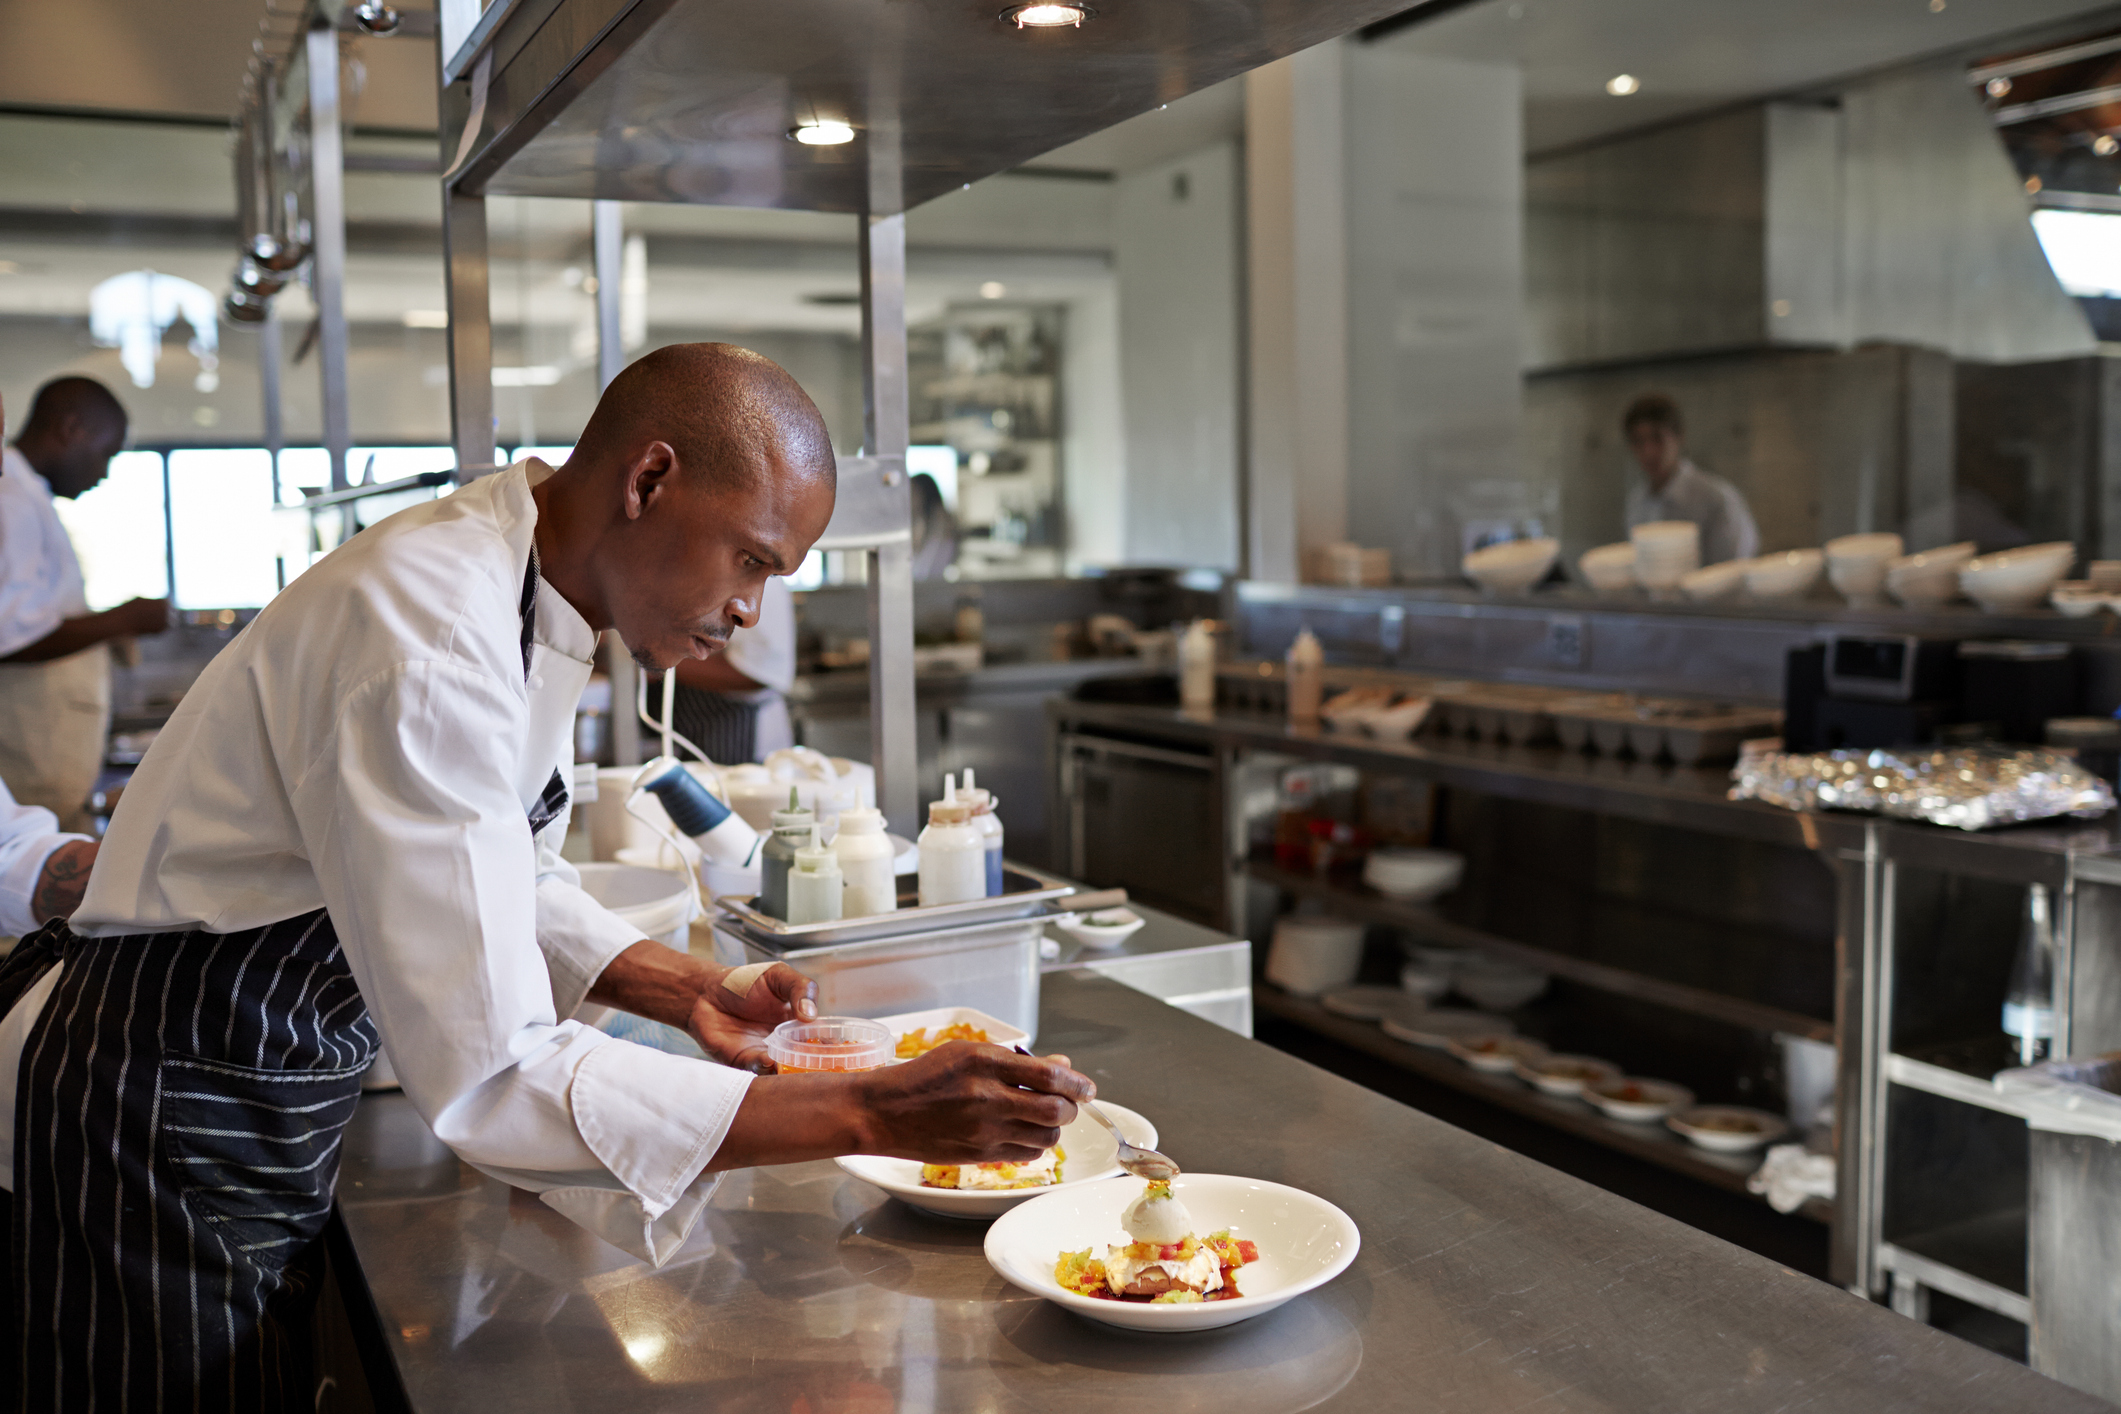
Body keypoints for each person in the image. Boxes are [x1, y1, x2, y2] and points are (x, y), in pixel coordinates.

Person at [0, 344, 1091, 1408]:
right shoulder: (431, 631)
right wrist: (868, 1109)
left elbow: (503, 867)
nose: (752, 612)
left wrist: (683, 986)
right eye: (752, 559)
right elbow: (495, 1072)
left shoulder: (530, 592)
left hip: (247, 1080)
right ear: (650, 478)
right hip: (160, 1106)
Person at [0, 378, 170, 830]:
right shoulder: (11, 500)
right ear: (70, 428)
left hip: (48, 766)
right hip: (31, 768)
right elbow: (10, 634)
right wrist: (127, 617)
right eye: (106, 453)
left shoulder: (29, 497)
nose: (104, 472)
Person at [651, 573, 797, 762]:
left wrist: (658, 662)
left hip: (746, 744)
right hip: (699, 737)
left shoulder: (758, 574)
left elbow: (759, 672)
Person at [1622, 393, 1760, 566]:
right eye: (1638, 441)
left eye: (1657, 438)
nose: (1648, 451)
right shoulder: (1637, 502)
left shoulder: (1717, 499)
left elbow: (1735, 569)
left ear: (1679, 436)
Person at [910, 470, 958, 580]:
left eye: (913, 492)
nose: (910, 499)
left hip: (934, 588)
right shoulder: (922, 523)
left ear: (924, 493)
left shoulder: (941, 522)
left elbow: (931, 566)